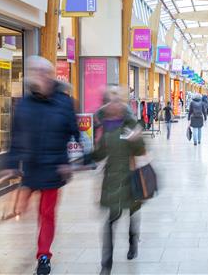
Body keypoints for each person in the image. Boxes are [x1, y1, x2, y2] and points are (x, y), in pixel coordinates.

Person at [2, 56, 79, 275]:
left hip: (54, 168)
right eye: (36, 71)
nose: (41, 75)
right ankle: (20, 208)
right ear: (31, 76)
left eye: (45, 71)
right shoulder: (23, 104)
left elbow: (74, 130)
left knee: (46, 213)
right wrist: (10, 164)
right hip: (32, 167)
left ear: (52, 75)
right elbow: (15, 137)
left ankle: (43, 255)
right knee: (24, 208)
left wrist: (77, 159)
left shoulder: (64, 102)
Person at [89, 87, 146, 275]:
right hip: (112, 179)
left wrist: (136, 139)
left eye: (117, 100)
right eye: (110, 100)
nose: (113, 104)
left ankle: (132, 240)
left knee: (132, 214)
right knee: (110, 222)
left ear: (123, 103)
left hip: (131, 177)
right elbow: (100, 153)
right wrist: (86, 157)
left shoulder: (130, 123)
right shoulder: (104, 124)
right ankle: (106, 264)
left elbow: (140, 151)